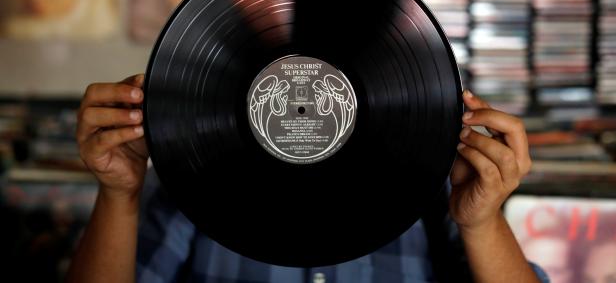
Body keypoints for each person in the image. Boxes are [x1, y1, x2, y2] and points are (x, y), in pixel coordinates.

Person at [66, 73, 548, 283]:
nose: (304, 105)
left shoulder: (438, 184)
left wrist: (482, 223)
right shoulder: (196, 180)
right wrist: (119, 194)